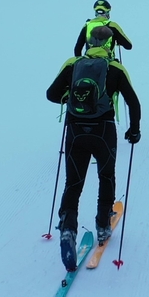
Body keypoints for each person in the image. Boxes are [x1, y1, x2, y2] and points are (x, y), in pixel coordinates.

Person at [47, 26, 141, 272]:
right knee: (106, 175)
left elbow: (51, 94)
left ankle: (68, 228)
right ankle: (102, 224)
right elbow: (133, 102)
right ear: (110, 45)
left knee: (73, 183)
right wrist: (134, 130)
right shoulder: (116, 68)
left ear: (89, 42)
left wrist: (69, 99)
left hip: (76, 131)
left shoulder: (73, 64)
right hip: (103, 131)